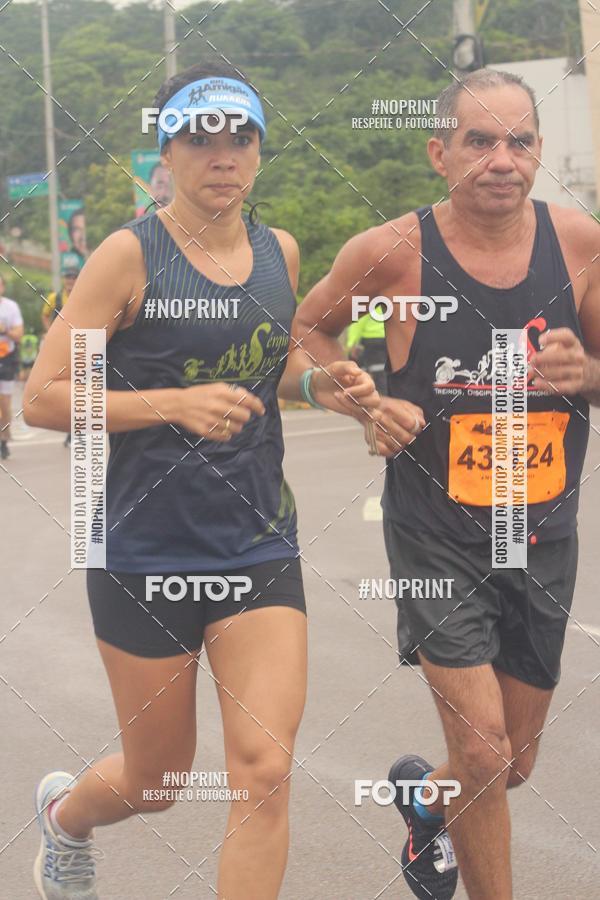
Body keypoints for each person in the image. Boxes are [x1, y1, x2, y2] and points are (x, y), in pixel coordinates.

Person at [24, 62, 377, 900]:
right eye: (200, 138)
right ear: (168, 153)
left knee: (263, 770)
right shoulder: (126, 257)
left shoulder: (278, 251)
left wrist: (322, 384)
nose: (223, 155)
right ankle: (66, 818)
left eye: (241, 137)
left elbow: (269, 363)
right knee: (158, 783)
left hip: (258, 544)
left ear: (259, 150)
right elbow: (43, 396)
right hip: (143, 553)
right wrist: (170, 403)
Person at [295, 69, 600, 900]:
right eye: (480, 141)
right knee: (484, 750)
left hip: (539, 534)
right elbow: (308, 330)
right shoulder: (391, 253)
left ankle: (426, 802)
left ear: (538, 152)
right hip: (436, 532)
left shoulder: (579, 244)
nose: (502, 159)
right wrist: (357, 398)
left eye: (520, 141)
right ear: (440, 153)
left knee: (512, 762)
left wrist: (587, 373)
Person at [0, 274, 24, 460]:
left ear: (3, 287)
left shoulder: (11, 307)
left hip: (5, 358)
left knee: (4, 403)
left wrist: (5, 330)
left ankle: (4, 439)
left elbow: (19, 334)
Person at [346, 309, 387, 393]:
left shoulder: (366, 302)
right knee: (382, 371)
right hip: (386, 339)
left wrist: (351, 343)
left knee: (373, 372)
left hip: (370, 338)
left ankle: (380, 395)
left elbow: (358, 321)